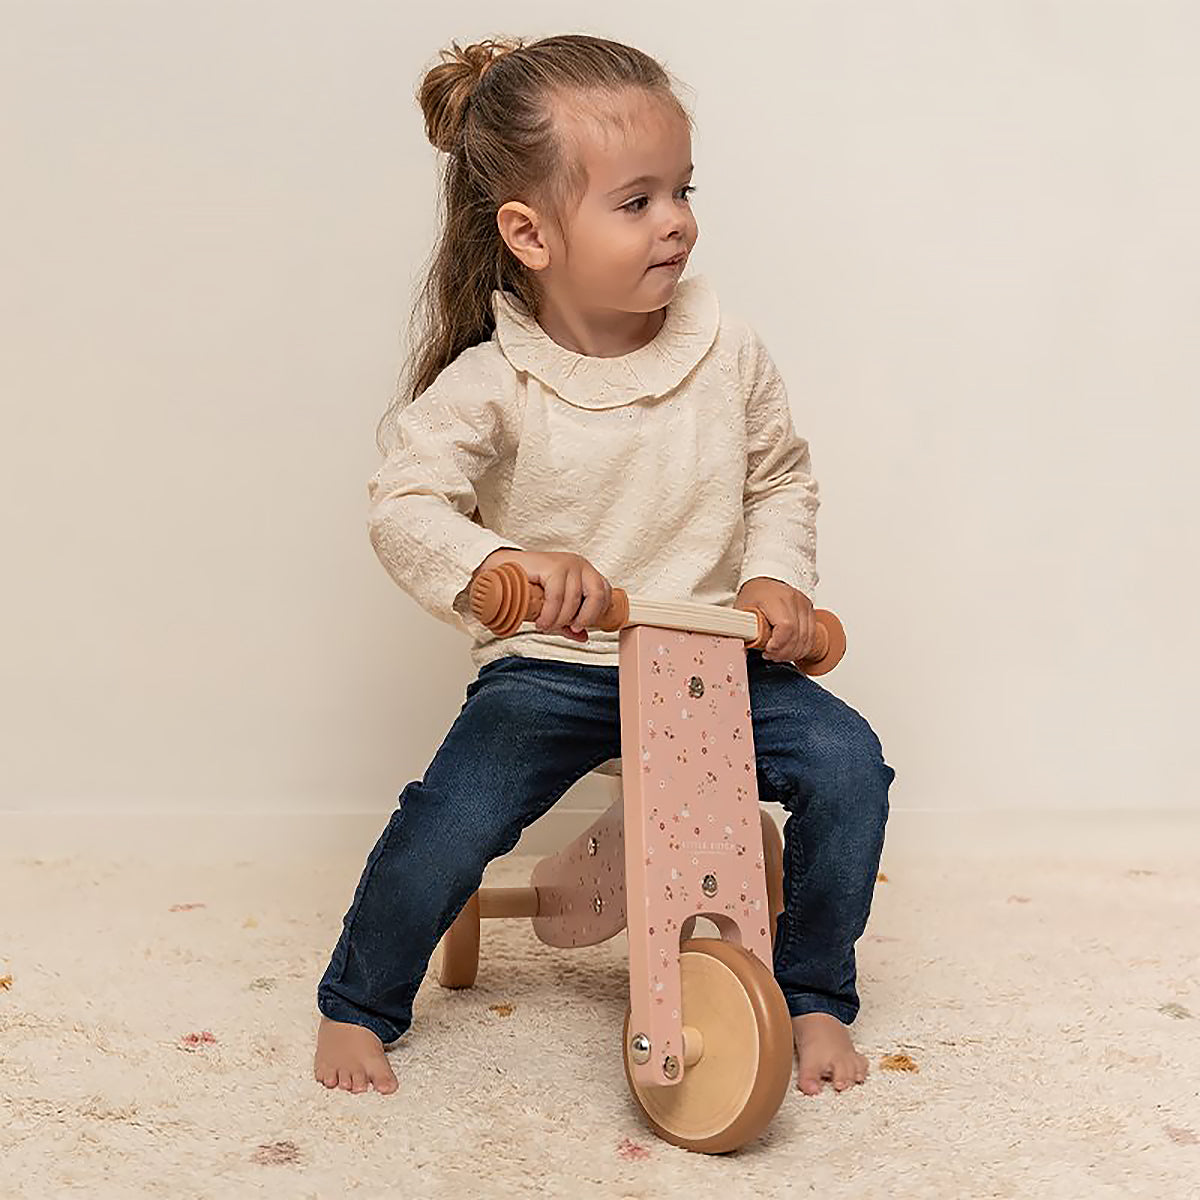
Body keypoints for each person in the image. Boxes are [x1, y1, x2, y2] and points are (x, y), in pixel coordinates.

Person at [314, 33, 896, 1100]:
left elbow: (781, 480)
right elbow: (404, 503)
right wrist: (503, 561)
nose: (676, 219)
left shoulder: (727, 349)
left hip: (712, 660)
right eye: (636, 201)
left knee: (849, 765)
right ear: (530, 234)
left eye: (682, 189)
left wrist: (777, 585)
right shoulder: (496, 384)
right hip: (557, 664)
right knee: (454, 814)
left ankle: (813, 993)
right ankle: (358, 1002)